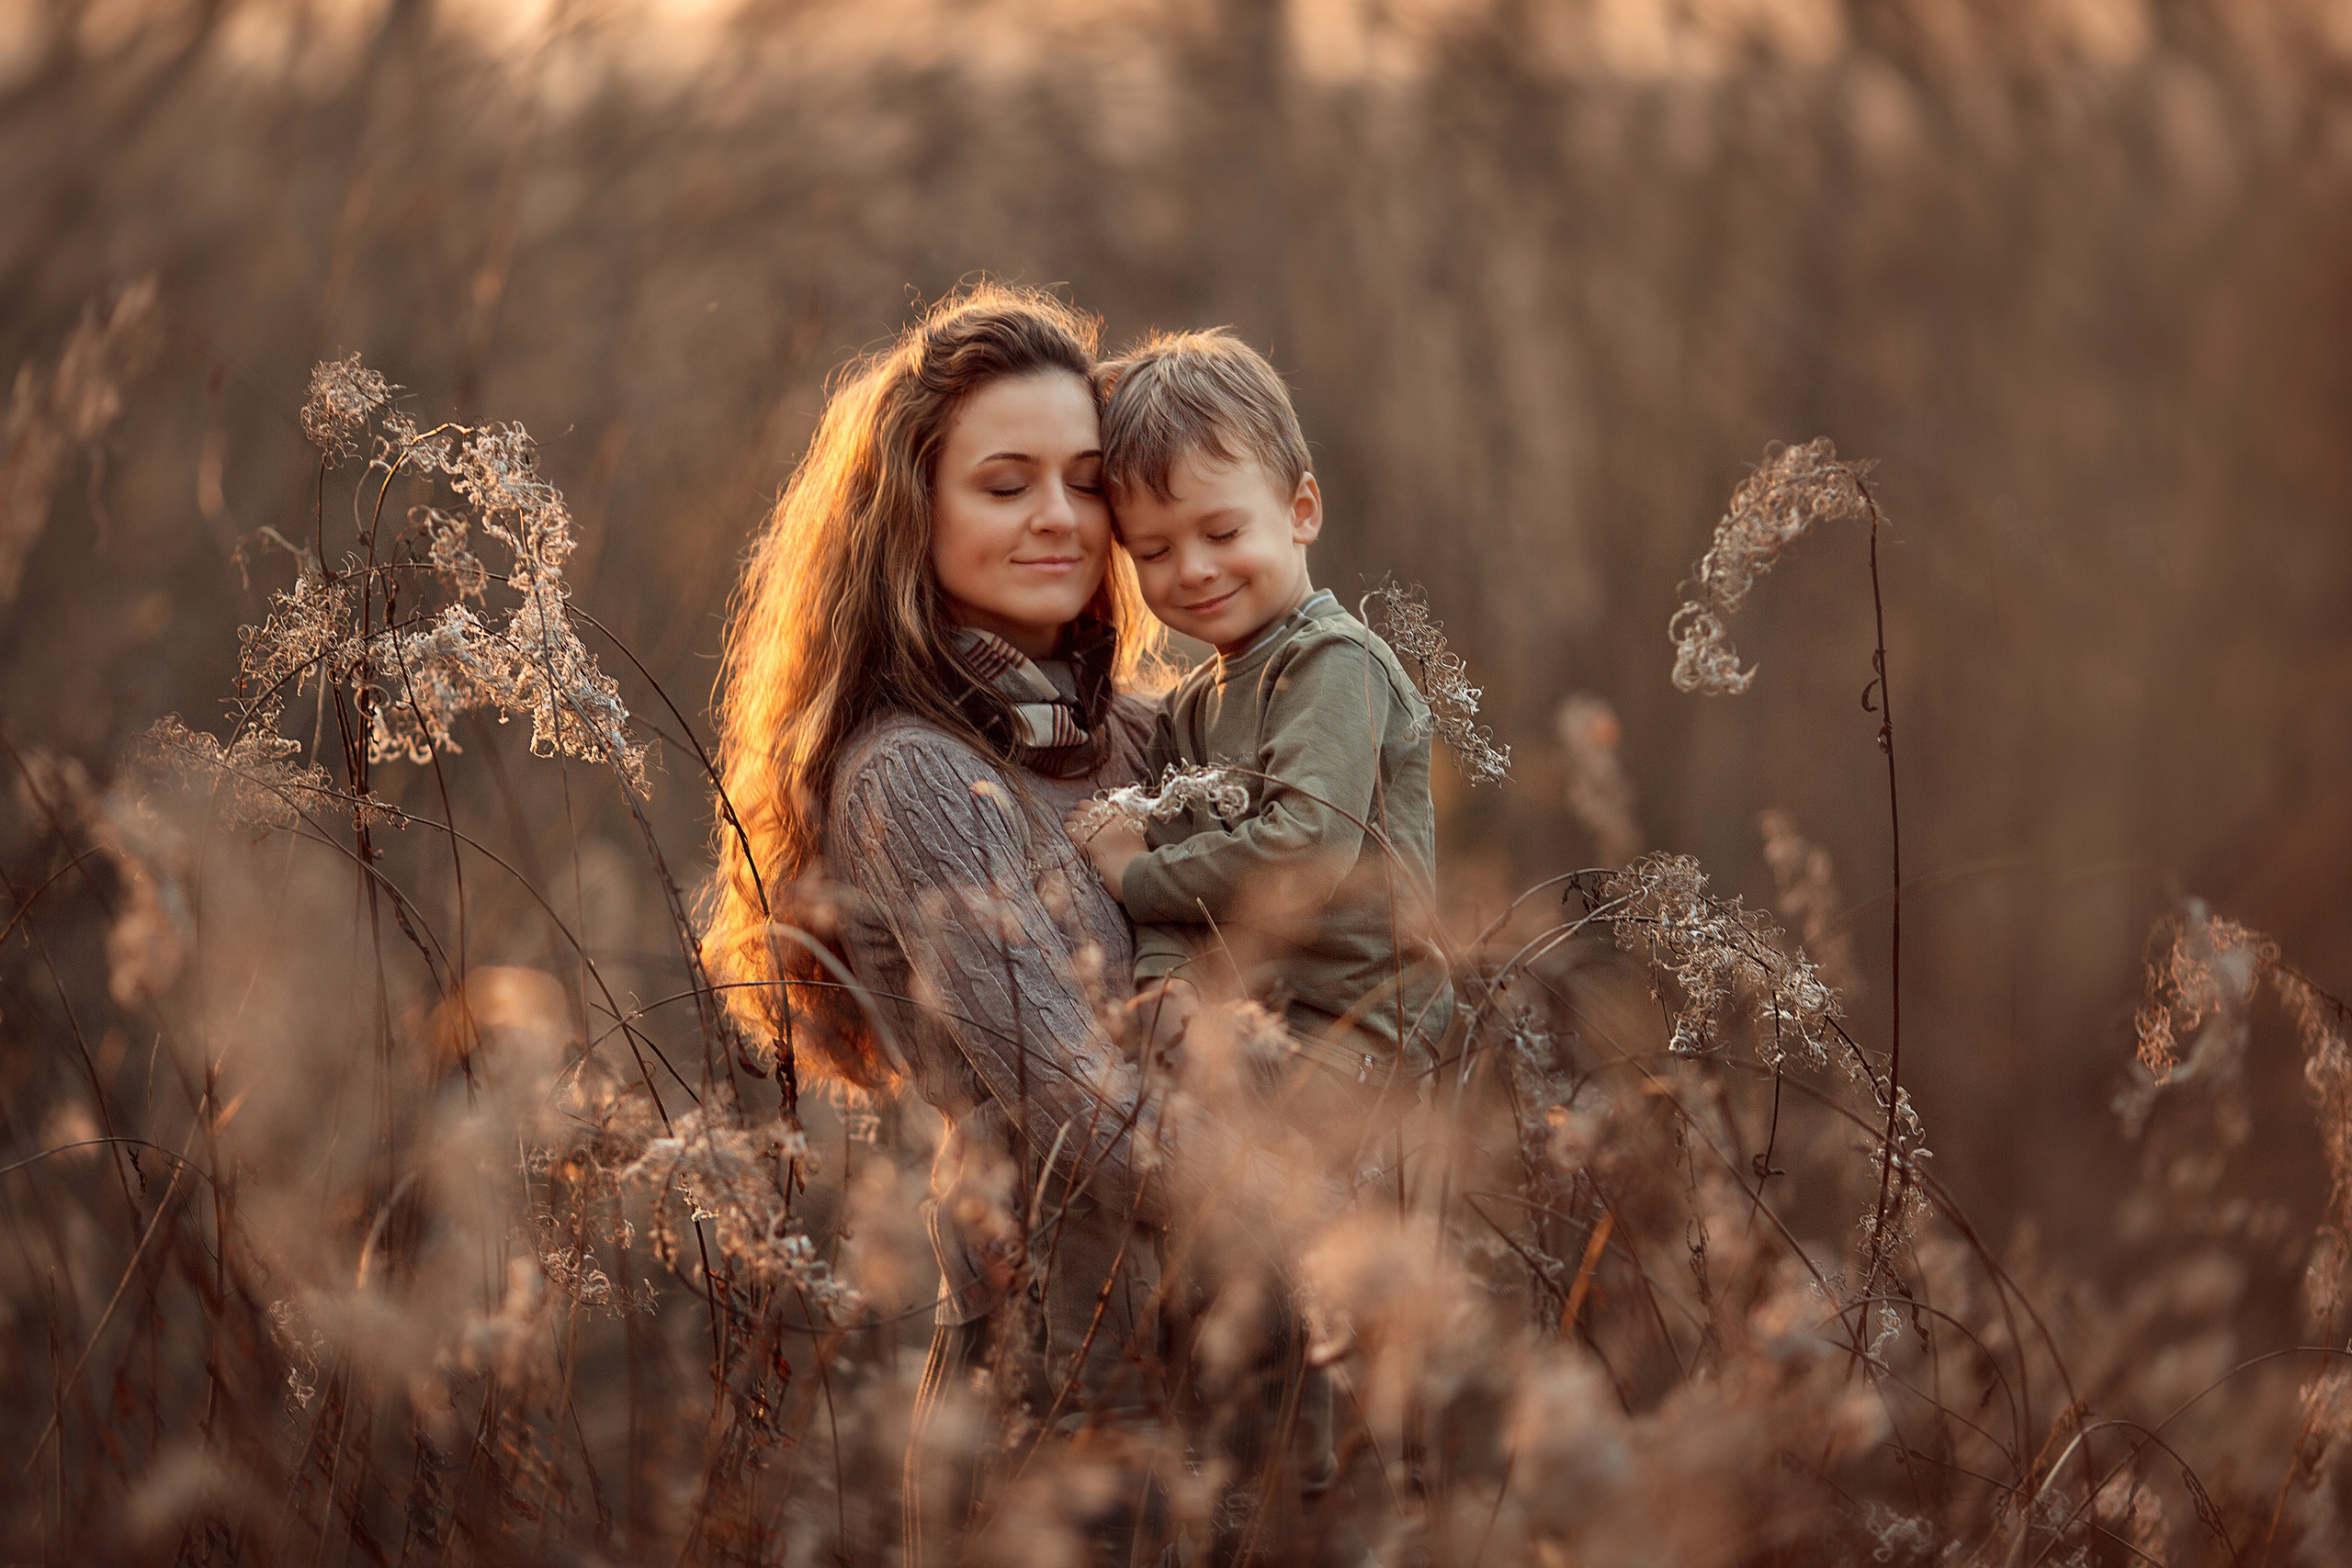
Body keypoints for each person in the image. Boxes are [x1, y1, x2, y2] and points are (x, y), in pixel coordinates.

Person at [700, 284, 1176, 1563]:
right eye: (1005, 483)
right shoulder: (911, 777)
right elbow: (1085, 1113)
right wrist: (1317, 1201)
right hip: (1051, 1396)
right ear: (916, 513)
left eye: (1087, 482)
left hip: (1225, 1373)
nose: (1059, 517)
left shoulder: (1148, 734)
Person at [1071, 327, 1453, 1113]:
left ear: (1300, 511)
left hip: (1361, 1038)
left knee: (1174, 1138)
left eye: (1223, 532)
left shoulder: (1335, 664)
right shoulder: (1187, 711)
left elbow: (1308, 849)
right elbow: (1175, 870)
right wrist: (1167, 986)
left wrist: (1133, 877)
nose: (1193, 569)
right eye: (1153, 552)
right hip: (1257, 1024)